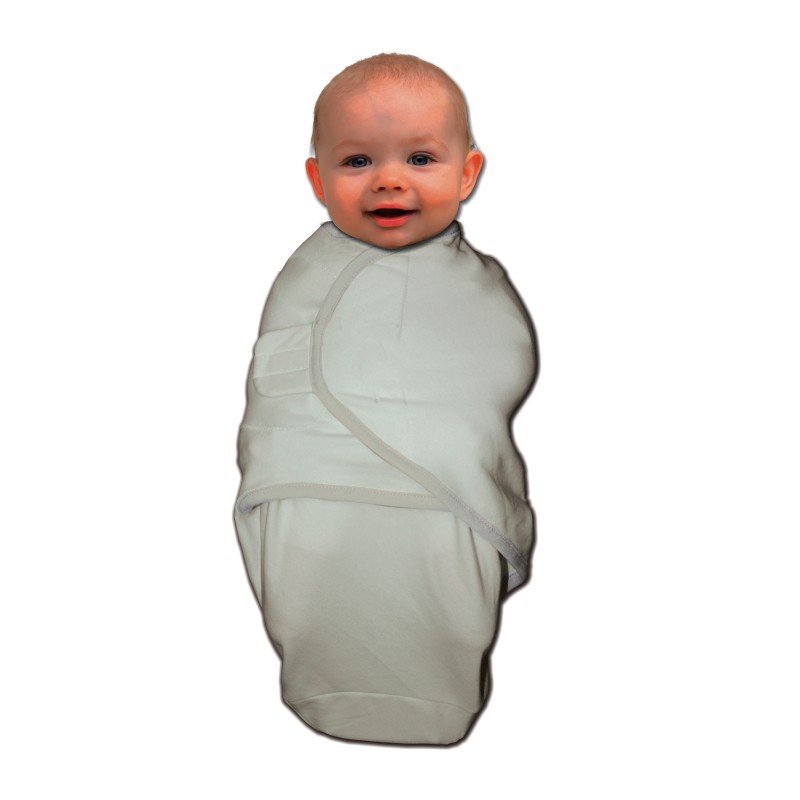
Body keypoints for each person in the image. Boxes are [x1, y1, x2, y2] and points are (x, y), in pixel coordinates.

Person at [234, 53, 537, 746]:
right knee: (321, 583)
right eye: (358, 161)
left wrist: (453, 452)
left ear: (467, 173)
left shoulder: (478, 286)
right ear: (317, 179)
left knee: (440, 598)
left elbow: (491, 379)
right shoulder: (309, 279)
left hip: (444, 513)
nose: (390, 179)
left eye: (420, 158)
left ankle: (436, 685)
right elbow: (275, 404)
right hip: (316, 497)